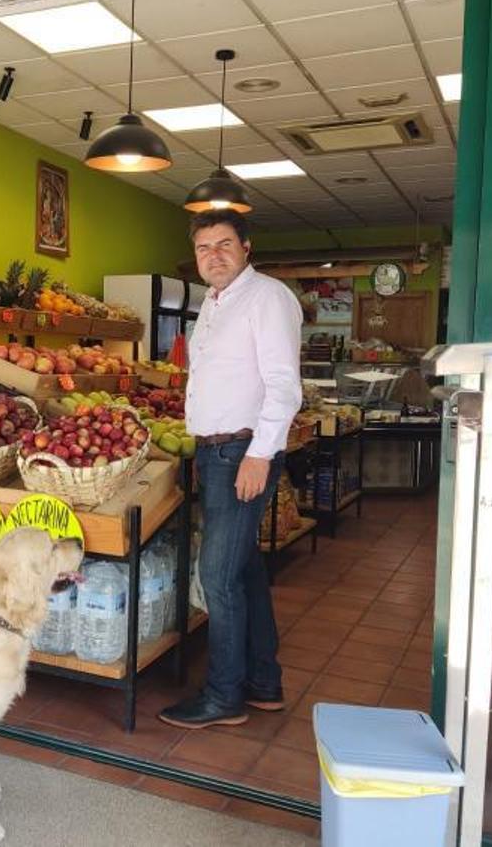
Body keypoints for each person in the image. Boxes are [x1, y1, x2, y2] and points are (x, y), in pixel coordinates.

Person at [158, 209, 302, 730]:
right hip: (217, 452)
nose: (213, 255)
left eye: (224, 244)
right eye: (203, 248)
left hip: (242, 452)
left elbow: (284, 385)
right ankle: (263, 683)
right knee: (243, 572)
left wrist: (260, 454)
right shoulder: (216, 304)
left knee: (216, 575)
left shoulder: (267, 298)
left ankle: (223, 696)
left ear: (246, 247)